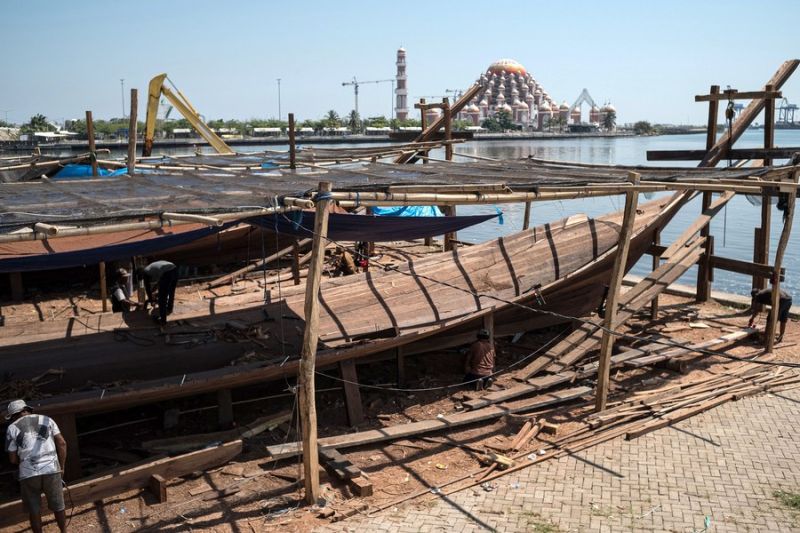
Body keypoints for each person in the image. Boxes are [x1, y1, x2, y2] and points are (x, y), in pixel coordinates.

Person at [5, 399, 68, 533]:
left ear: (14, 415)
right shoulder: (47, 420)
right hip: (51, 469)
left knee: (34, 510)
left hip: (28, 474)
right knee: (58, 506)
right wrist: (61, 467)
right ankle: (64, 531)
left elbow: (12, 458)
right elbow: (62, 443)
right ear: (27, 409)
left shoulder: (12, 428)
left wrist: (23, 462)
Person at [137, 260, 179, 325]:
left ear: (141, 273)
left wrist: (151, 300)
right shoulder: (151, 268)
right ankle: (169, 308)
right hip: (175, 269)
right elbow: (159, 282)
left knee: (162, 298)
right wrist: (154, 291)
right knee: (171, 291)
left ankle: (163, 321)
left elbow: (147, 288)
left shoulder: (145, 272)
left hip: (167, 272)